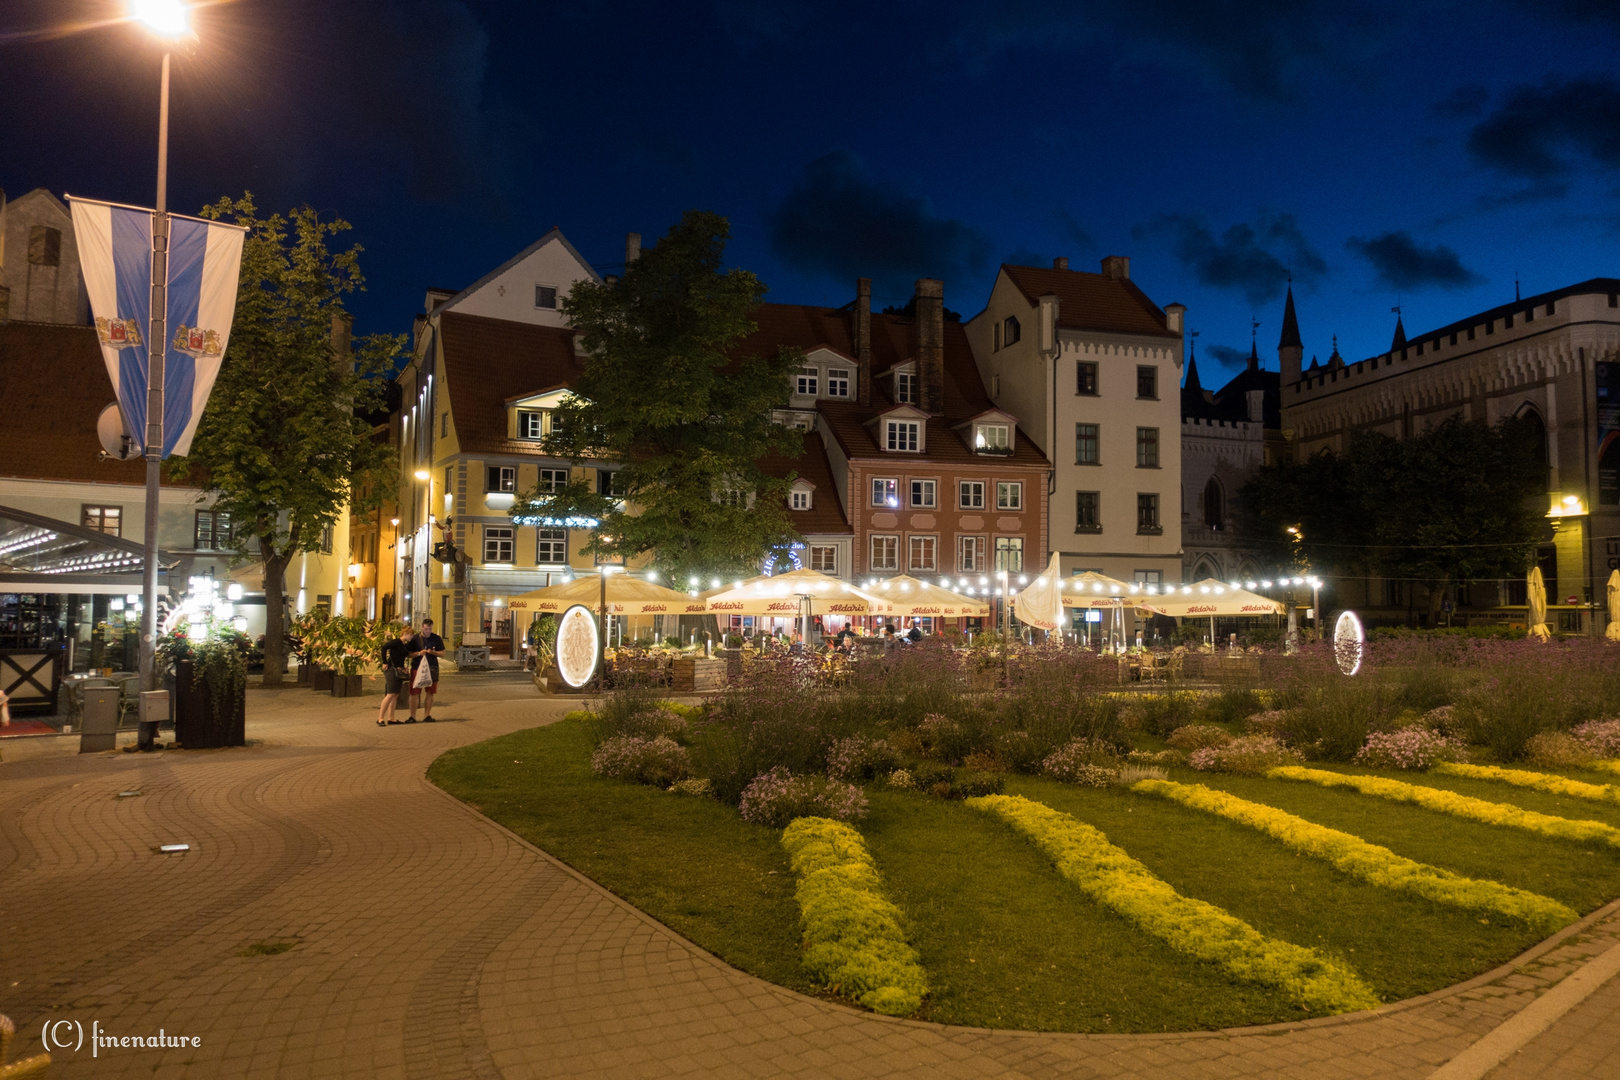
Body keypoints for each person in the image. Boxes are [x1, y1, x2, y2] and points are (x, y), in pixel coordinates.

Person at [407, 618, 446, 723]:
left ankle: (426, 715)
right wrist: (419, 653)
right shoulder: (415, 639)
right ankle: (413, 716)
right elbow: (409, 654)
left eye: (429, 629)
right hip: (417, 667)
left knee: (430, 692)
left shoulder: (436, 638)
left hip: (432, 667)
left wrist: (434, 652)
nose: (428, 631)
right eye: (426, 629)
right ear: (422, 627)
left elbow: (442, 653)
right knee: (414, 692)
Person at [377, 623, 412, 726]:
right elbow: (384, 647)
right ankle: (380, 718)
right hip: (391, 669)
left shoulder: (404, 644)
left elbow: (400, 657)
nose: (411, 637)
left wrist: (404, 667)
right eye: (410, 635)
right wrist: (384, 662)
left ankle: (391, 718)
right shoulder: (397, 642)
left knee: (395, 695)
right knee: (390, 694)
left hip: (399, 670)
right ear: (405, 633)